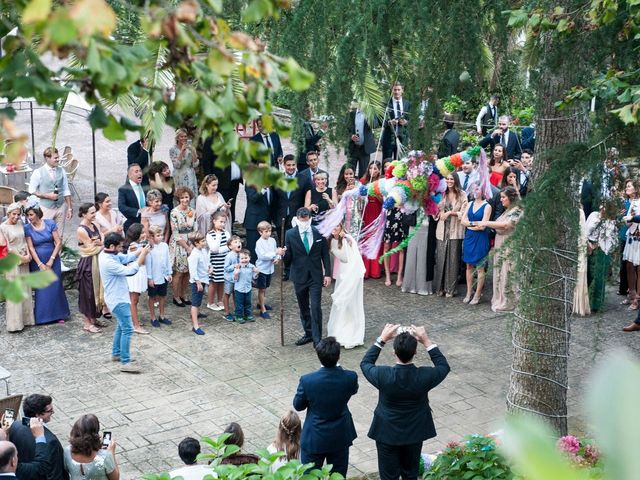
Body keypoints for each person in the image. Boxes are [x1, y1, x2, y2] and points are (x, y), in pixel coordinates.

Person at [360, 324, 450, 480]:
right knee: (410, 474)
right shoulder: (424, 376)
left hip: (386, 432)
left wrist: (382, 340)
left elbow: (366, 363)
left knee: (388, 476)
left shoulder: (383, 375)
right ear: (415, 352)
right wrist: (426, 341)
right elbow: (443, 366)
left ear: (393, 352)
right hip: (414, 432)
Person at [293, 337, 358, 477]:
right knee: (338, 475)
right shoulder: (350, 377)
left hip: (314, 437)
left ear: (318, 356)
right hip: (340, 435)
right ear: (338, 356)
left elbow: (298, 406)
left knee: (309, 476)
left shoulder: (308, 380)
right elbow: (353, 390)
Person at [99, 232, 149, 373]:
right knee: (127, 329)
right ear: (112, 246)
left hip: (118, 297)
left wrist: (140, 250)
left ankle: (116, 354)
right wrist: (142, 256)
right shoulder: (108, 261)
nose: (122, 248)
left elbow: (126, 257)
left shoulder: (109, 254)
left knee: (121, 327)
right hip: (118, 300)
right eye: (120, 246)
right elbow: (130, 270)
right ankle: (125, 362)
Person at [284, 207, 332, 347]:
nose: (304, 223)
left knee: (316, 307)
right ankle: (309, 333)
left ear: (310, 219)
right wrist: (282, 254)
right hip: (299, 276)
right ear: (297, 219)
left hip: (315, 276)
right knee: (303, 306)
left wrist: (327, 273)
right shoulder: (290, 234)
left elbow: (325, 254)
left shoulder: (319, 232)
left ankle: (317, 339)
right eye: (301, 221)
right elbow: (288, 259)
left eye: (307, 220)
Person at [477, 186, 523, 313]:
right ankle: (499, 298)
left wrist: (486, 223)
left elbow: (507, 225)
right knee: (500, 271)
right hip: (500, 243)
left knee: (508, 271)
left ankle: (509, 301)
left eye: (503, 197)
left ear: (511, 198)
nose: (501, 200)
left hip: (510, 244)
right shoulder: (506, 210)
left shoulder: (517, 210)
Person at [24, 204, 70, 325]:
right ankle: (42, 316)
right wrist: (40, 264)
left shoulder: (50, 223)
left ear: (37, 213)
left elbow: (58, 242)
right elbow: (31, 247)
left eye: (31, 214)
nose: (29, 217)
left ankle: (59, 314)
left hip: (53, 258)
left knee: (55, 286)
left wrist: (52, 259)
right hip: (37, 260)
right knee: (42, 288)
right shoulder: (27, 228)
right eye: (27, 215)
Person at [9, 394, 68, 480]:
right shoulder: (51, 441)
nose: (53, 412)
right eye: (50, 411)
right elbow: (56, 474)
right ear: (37, 415)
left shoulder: (14, 425)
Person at [327, 224, 365, 349]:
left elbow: (353, 256)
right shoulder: (330, 240)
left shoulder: (347, 238)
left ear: (341, 227)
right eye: (332, 226)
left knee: (351, 303)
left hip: (352, 274)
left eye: (337, 226)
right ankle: (340, 331)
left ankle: (352, 333)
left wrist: (347, 239)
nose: (334, 228)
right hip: (342, 273)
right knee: (342, 305)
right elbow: (339, 257)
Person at [0, 203, 35, 332]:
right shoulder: (3, 227)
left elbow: (25, 241)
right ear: (8, 214)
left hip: (24, 259)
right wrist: (21, 258)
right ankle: (15, 324)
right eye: (13, 214)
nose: (16, 216)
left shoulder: (20, 224)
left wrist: (28, 254)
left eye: (18, 214)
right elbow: (6, 248)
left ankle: (26, 320)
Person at [434, 174, 468, 297]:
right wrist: (439, 211)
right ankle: (440, 287)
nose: (449, 181)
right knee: (440, 257)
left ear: (456, 180)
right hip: (442, 229)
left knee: (453, 260)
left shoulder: (462, 194)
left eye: (452, 179)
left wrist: (450, 213)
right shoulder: (442, 193)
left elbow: (464, 212)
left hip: (455, 230)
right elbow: (435, 210)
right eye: (447, 179)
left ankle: (451, 289)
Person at [28, 147, 73, 237]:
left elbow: (66, 189)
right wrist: (47, 196)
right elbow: (31, 191)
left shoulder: (61, 170)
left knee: (59, 235)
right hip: (45, 208)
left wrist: (69, 208)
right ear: (47, 158)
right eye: (55, 158)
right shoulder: (38, 172)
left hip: (61, 207)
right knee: (45, 234)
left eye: (58, 157)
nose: (58, 160)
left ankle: (59, 251)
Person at [76, 203, 106, 334]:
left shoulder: (95, 225)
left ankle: (93, 318)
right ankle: (87, 323)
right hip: (88, 263)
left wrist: (101, 243)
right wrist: (102, 245)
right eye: (92, 213)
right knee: (88, 293)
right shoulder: (81, 230)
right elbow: (90, 248)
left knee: (97, 290)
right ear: (84, 214)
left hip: (98, 260)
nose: (94, 215)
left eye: (95, 212)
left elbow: (102, 239)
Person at [461, 183, 492, 304]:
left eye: (477, 188)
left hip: (480, 239)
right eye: (474, 188)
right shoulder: (470, 203)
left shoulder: (487, 206)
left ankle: (478, 294)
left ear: (483, 191)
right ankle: (469, 291)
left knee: (480, 267)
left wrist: (470, 224)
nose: (475, 190)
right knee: (468, 266)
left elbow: (483, 226)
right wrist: (473, 225)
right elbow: (463, 221)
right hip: (469, 237)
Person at [201, 136, 243, 224]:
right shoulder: (210, 140)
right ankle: (218, 231)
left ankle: (230, 229)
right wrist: (209, 182)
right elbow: (206, 162)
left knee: (231, 207)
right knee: (220, 209)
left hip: (235, 181)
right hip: (220, 183)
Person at [63, 414, 119, 480]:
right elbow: (115, 478)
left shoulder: (67, 451)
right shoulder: (105, 456)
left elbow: (66, 469)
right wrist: (111, 452)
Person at [273, 155, 312, 243]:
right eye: (288, 165)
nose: (291, 167)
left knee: (296, 245)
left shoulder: (304, 179)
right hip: (281, 219)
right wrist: (275, 219)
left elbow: (308, 198)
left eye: (293, 165)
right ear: (284, 165)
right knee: (283, 245)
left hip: (297, 218)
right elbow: (274, 200)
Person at [169, 187, 197, 307]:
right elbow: (175, 233)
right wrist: (187, 247)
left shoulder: (193, 211)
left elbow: (195, 230)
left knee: (188, 272)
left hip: (191, 242)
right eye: (182, 198)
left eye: (186, 197)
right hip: (179, 244)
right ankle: (176, 296)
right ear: (178, 199)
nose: (184, 200)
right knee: (180, 272)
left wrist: (193, 244)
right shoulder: (174, 212)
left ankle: (183, 294)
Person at [255, 221, 285, 319]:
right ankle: (262, 308)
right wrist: (275, 252)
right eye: (266, 231)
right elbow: (262, 256)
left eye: (270, 231)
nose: (268, 233)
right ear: (260, 232)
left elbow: (276, 252)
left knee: (265, 287)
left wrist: (277, 258)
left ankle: (261, 302)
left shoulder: (272, 240)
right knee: (262, 288)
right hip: (262, 269)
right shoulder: (259, 243)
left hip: (270, 268)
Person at [123, 224, 149, 335]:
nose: (144, 235)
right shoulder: (134, 246)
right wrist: (144, 252)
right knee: (133, 300)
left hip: (139, 272)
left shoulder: (139, 244)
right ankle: (135, 325)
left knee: (135, 299)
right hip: (135, 274)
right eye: (142, 233)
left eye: (144, 232)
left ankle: (134, 321)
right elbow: (141, 261)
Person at [146, 225, 172, 328]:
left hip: (163, 276)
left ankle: (162, 315)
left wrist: (169, 273)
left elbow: (167, 260)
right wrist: (150, 278)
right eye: (158, 235)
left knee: (162, 296)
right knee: (152, 297)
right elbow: (148, 264)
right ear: (152, 237)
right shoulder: (149, 248)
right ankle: (153, 317)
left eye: (161, 235)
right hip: (154, 277)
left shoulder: (164, 246)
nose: (160, 237)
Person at [360, 161, 383, 279]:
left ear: (379, 170)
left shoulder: (381, 183)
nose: (372, 171)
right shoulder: (363, 181)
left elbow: (384, 200)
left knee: (375, 240)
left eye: (375, 169)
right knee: (366, 239)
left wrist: (375, 191)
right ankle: (365, 270)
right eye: (370, 168)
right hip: (366, 211)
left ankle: (375, 270)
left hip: (377, 211)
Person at [401, 214, 431, 296]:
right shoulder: (411, 201)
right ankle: (410, 285)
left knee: (423, 255)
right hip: (413, 224)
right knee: (411, 254)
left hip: (425, 226)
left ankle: (422, 286)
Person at [206, 211, 230, 311]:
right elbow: (214, 248)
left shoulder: (226, 233)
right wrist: (219, 237)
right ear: (214, 221)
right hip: (215, 262)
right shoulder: (210, 234)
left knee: (222, 281)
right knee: (214, 282)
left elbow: (229, 246)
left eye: (224, 222)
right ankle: (210, 302)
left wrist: (224, 248)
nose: (222, 224)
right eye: (220, 222)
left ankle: (220, 300)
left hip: (224, 261)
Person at [381, 82, 411, 160]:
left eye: (398, 90)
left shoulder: (408, 104)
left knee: (401, 164)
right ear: (392, 90)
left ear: (402, 91)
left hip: (403, 139)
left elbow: (413, 120)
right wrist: (389, 122)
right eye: (394, 90)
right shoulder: (386, 103)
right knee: (387, 163)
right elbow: (380, 120)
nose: (396, 92)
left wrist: (406, 122)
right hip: (388, 138)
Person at [622, 180, 640, 311]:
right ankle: (631, 293)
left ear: (636, 188)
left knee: (638, 267)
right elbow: (629, 221)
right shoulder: (632, 202)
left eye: (629, 186)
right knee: (629, 265)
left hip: (639, 236)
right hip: (631, 236)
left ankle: (637, 299)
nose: (627, 188)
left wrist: (631, 219)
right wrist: (626, 219)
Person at [244, 185, 274, 263]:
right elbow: (252, 198)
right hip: (254, 222)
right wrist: (263, 188)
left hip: (266, 222)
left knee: (265, 249)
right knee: (253, 251)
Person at [170, 129, 199, 207]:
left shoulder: (191, 148)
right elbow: (176, 165)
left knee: (191, 194)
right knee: (181, 194)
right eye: (181, 136)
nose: (184, 138)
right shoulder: (173, 149)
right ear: (177, 138)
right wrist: (182, 151)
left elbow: (195, 164)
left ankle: (192, 212)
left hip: (190, 175)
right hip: (179, 175)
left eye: (185, 136)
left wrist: (193, 152)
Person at [347, 102, 378, 177]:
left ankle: (361, 188)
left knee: (363, 173)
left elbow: (375, 125)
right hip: (353, 148)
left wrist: (369, 114)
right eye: (360, 101)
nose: (362, 103)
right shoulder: (351, 114)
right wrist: (351, 136)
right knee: (350, 172)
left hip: (365, 148)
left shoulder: (370, 114)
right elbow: (346, 129)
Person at [187, 232, 209, 335]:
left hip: (204, 279)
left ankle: (197, 314)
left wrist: (210, 267)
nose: (205, 242)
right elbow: (193, 271)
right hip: (198, 281)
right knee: (195, 303)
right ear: (196, 243)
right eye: (203, 241)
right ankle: (195, 326)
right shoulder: (194, 255)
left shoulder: (203, 250)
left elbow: (207, 261)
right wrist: (198, 282)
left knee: (199, 300)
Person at [229, 249, 259, 324]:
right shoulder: (238, 267)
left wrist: (257, 272)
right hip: (239, 289)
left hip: (248, 288)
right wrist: (236, 274)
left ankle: (248, 315)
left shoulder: (251, 267)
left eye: (246, 258)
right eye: (242, 258)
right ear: (239, 259)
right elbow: (234, 280)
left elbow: (254, 277)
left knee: (248, 302)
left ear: (249, 258)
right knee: (239, 303)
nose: (244, 260)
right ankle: (239, 316)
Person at [117, 164, 147, 232]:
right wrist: (138, 211)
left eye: (140, 171)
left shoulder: (145, 186)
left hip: (147, 223)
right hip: (132, 224)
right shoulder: (123, 189)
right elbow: (121, 207)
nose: (139, 173)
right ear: (130, 175)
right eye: (136, 172)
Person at [222, 235, 243, 322]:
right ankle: (227, 313)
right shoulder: (229, 256)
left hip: (238, 279)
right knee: (227, 294)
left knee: (236, 294)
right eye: (236, 242)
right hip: (229, 279)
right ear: (230, 246)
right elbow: (226, 268)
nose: (239, 243)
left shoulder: (241, 254)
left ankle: (237, 311)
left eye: (239, 242)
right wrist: (234, 266)